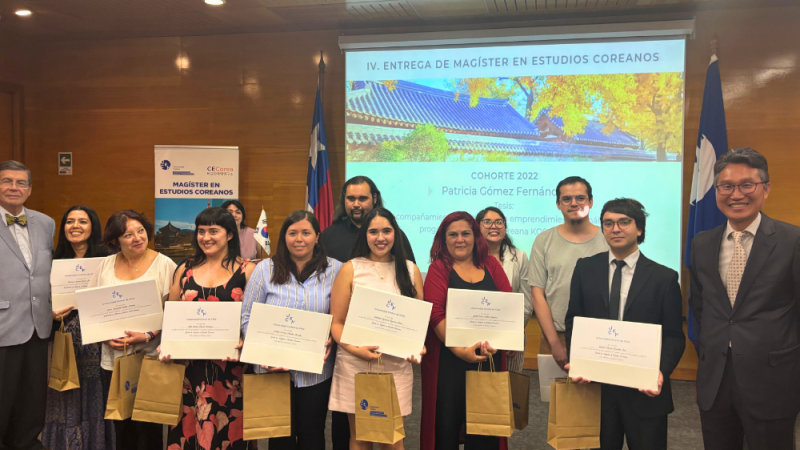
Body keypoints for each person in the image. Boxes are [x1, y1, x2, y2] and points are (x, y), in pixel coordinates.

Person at [689, 148, 800, 450]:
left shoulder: (792, 241)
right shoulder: (702, 244)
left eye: (747, 185)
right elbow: (701, 307)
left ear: (766, 189)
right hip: (716, 380)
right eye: (726, 186)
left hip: (772, 381)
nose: (736, 194)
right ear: (716, 191)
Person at [564, 198, 684, 450]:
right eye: (608, 223)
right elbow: (574, 320)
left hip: (643, 389)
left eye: (623, 222)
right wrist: (578, 360)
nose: (615, 229)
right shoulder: (585, 268)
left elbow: (673, 335)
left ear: (639, 229)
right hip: (596, 388)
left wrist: (660, 372)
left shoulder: (664, 277)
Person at [319, 175, 415, 449]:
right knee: (356, 435)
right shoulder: (346, 261)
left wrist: (415, 345)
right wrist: (354, 348)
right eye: (373, 232)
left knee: (392, 436)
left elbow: (414, 314)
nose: (380, 237)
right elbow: (336, 318)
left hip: (395, 362)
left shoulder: (408, 268)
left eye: (386, 231)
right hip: (353, 358)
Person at [241, 210, 342, 450]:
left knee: (313, 435)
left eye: (306, 233)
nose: (299, 239)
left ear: (317, 236)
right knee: (279, 437)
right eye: (292, 233)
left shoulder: (336, 270)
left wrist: (331, 338)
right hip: (272, 371)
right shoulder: (265, 269)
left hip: (316, 372)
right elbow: (247, 316)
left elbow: (342, 315)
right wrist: (263, 354)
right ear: (284, 237)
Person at [159, 207, 256, 450]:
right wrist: (167, 342)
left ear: (229, 235)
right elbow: (171, 313)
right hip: (191, 369)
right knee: (189, 430)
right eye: (201, 231)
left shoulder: (248, 271)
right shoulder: (184, 269)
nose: (206, 237)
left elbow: (255, 320)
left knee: (229, 432)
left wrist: (247, 339)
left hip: (230, 370)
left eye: (214, 231)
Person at [420, 212, 512, 450]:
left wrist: (501, 341)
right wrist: (461, 351)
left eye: (465, 233)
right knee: (445, 428)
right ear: (444, 239)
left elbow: (508, 305)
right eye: (453, 234)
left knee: (486, 430)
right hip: (449, 362)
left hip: (488, 360)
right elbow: (435, 314)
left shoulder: (491, 264)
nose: (459, 239)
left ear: (476, 237)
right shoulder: (439, 269)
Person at [88, 209, 177, 450]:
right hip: (114, 359)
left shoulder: (165, 265)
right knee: (122, 423)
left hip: (150, 358)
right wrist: (104, 336)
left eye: (140, 231)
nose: (137, 238)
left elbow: (175, 313)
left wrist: (149, 334)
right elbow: (91, 309)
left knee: (148, 425)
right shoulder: (105, 265)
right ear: (115, 240)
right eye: (128, 235)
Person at [42, 205, 114, 450]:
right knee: (65, 389)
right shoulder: (52, 260)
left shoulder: (108, 260)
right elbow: (41, 298)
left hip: (96, 339)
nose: (75, 226)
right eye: (70, 221)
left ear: (92, 226)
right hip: (64, 337)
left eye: (82, 221)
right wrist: (49, 313)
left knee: (96, 392)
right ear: (63, 228)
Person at [0, 160, 56, 450]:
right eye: (7, 181)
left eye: (21, 182)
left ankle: (26, 443)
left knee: (33, 397)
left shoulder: (45, 223)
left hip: (38, 325)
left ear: (30, 188)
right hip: (2, 325)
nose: (14, 187)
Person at [529, 176, 607, 369]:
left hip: (600, 338)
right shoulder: (543, 240)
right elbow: (537, 294)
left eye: (580, 198)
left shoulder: (608, 239)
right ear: (558, 204)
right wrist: (555, 342)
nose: (574, 203)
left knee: (596, 398)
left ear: (590, 202)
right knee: (555, 398)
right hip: (554, 336)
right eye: (567, 199)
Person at [476, 206, 532, 373]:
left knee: (509, 388)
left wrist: (512, 335)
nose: (494, 226)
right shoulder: (468, 258)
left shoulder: (519, 257)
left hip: (512, 333)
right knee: (477, 386)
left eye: (499, 222)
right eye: (487, 222)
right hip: (477, 334)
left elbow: (526, 302)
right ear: (477, 227)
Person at [320, 175, 416, 264]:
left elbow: (408, 273)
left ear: (374, 199)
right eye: (351, 199)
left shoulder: (393, 235)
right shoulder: (329, 235)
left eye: (362, 199)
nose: (356, 204)